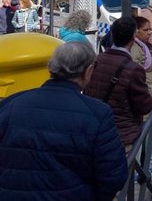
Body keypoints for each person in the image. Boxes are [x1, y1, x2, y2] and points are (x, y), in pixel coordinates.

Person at [0, 42, 128, 200]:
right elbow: (113, 176)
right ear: (88, 71)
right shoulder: (98, 113)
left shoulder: (10, 103)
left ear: (50, 68)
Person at [84, 16, 152, 150]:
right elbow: (145, 106)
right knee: (128, 169)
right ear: (133, 37)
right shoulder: (133, 69)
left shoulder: (96, 60)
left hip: (97, 133)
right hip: (122, 136)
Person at [131, 8, 152, 100]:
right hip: (145, 97)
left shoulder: (143, 45)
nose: (149, 33)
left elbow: (149, 60)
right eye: (145, 30)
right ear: (136, 31)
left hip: (150, 94)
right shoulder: (135, 48)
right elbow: (135, 77)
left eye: (150, 29)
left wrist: (151, 46)